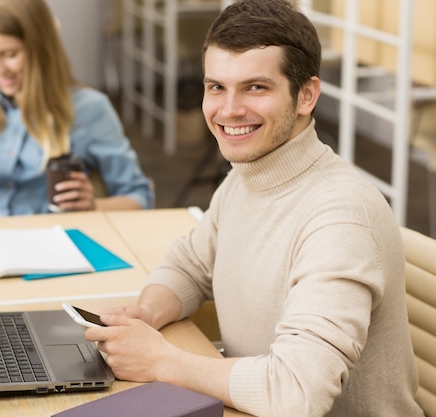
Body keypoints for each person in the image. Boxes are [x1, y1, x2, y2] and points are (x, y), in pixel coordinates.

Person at [85, 1, 424, 416]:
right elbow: (189, 266)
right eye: (216, 87)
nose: (228, 110)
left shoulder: (341, 216)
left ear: (306, 96)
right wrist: (146, 312)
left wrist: (161, 361)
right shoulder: (246, 178)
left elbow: (295, 393)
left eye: (256, 87)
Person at [0, 0, 154, 219]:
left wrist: (92, 206)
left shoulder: (90, 109)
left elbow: (139, 196)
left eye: (10, 54)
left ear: (40, 48)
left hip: (46, 241)